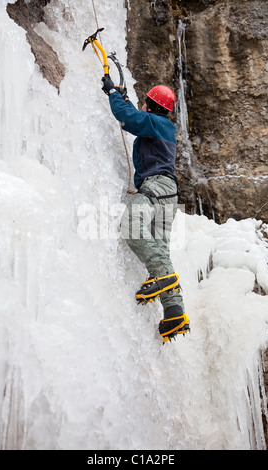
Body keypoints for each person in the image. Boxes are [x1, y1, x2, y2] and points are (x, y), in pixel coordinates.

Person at [102, 75, 190, 343]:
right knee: (160, 248)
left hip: (156, 187)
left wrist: (113, 93)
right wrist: (126, 98)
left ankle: (162, 279)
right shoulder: (162, 126)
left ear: (150, 105)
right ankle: (175, 311)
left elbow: (128, 118)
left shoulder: (155, 122)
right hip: (169, 195)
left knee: (131, 224)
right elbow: (137, 116)